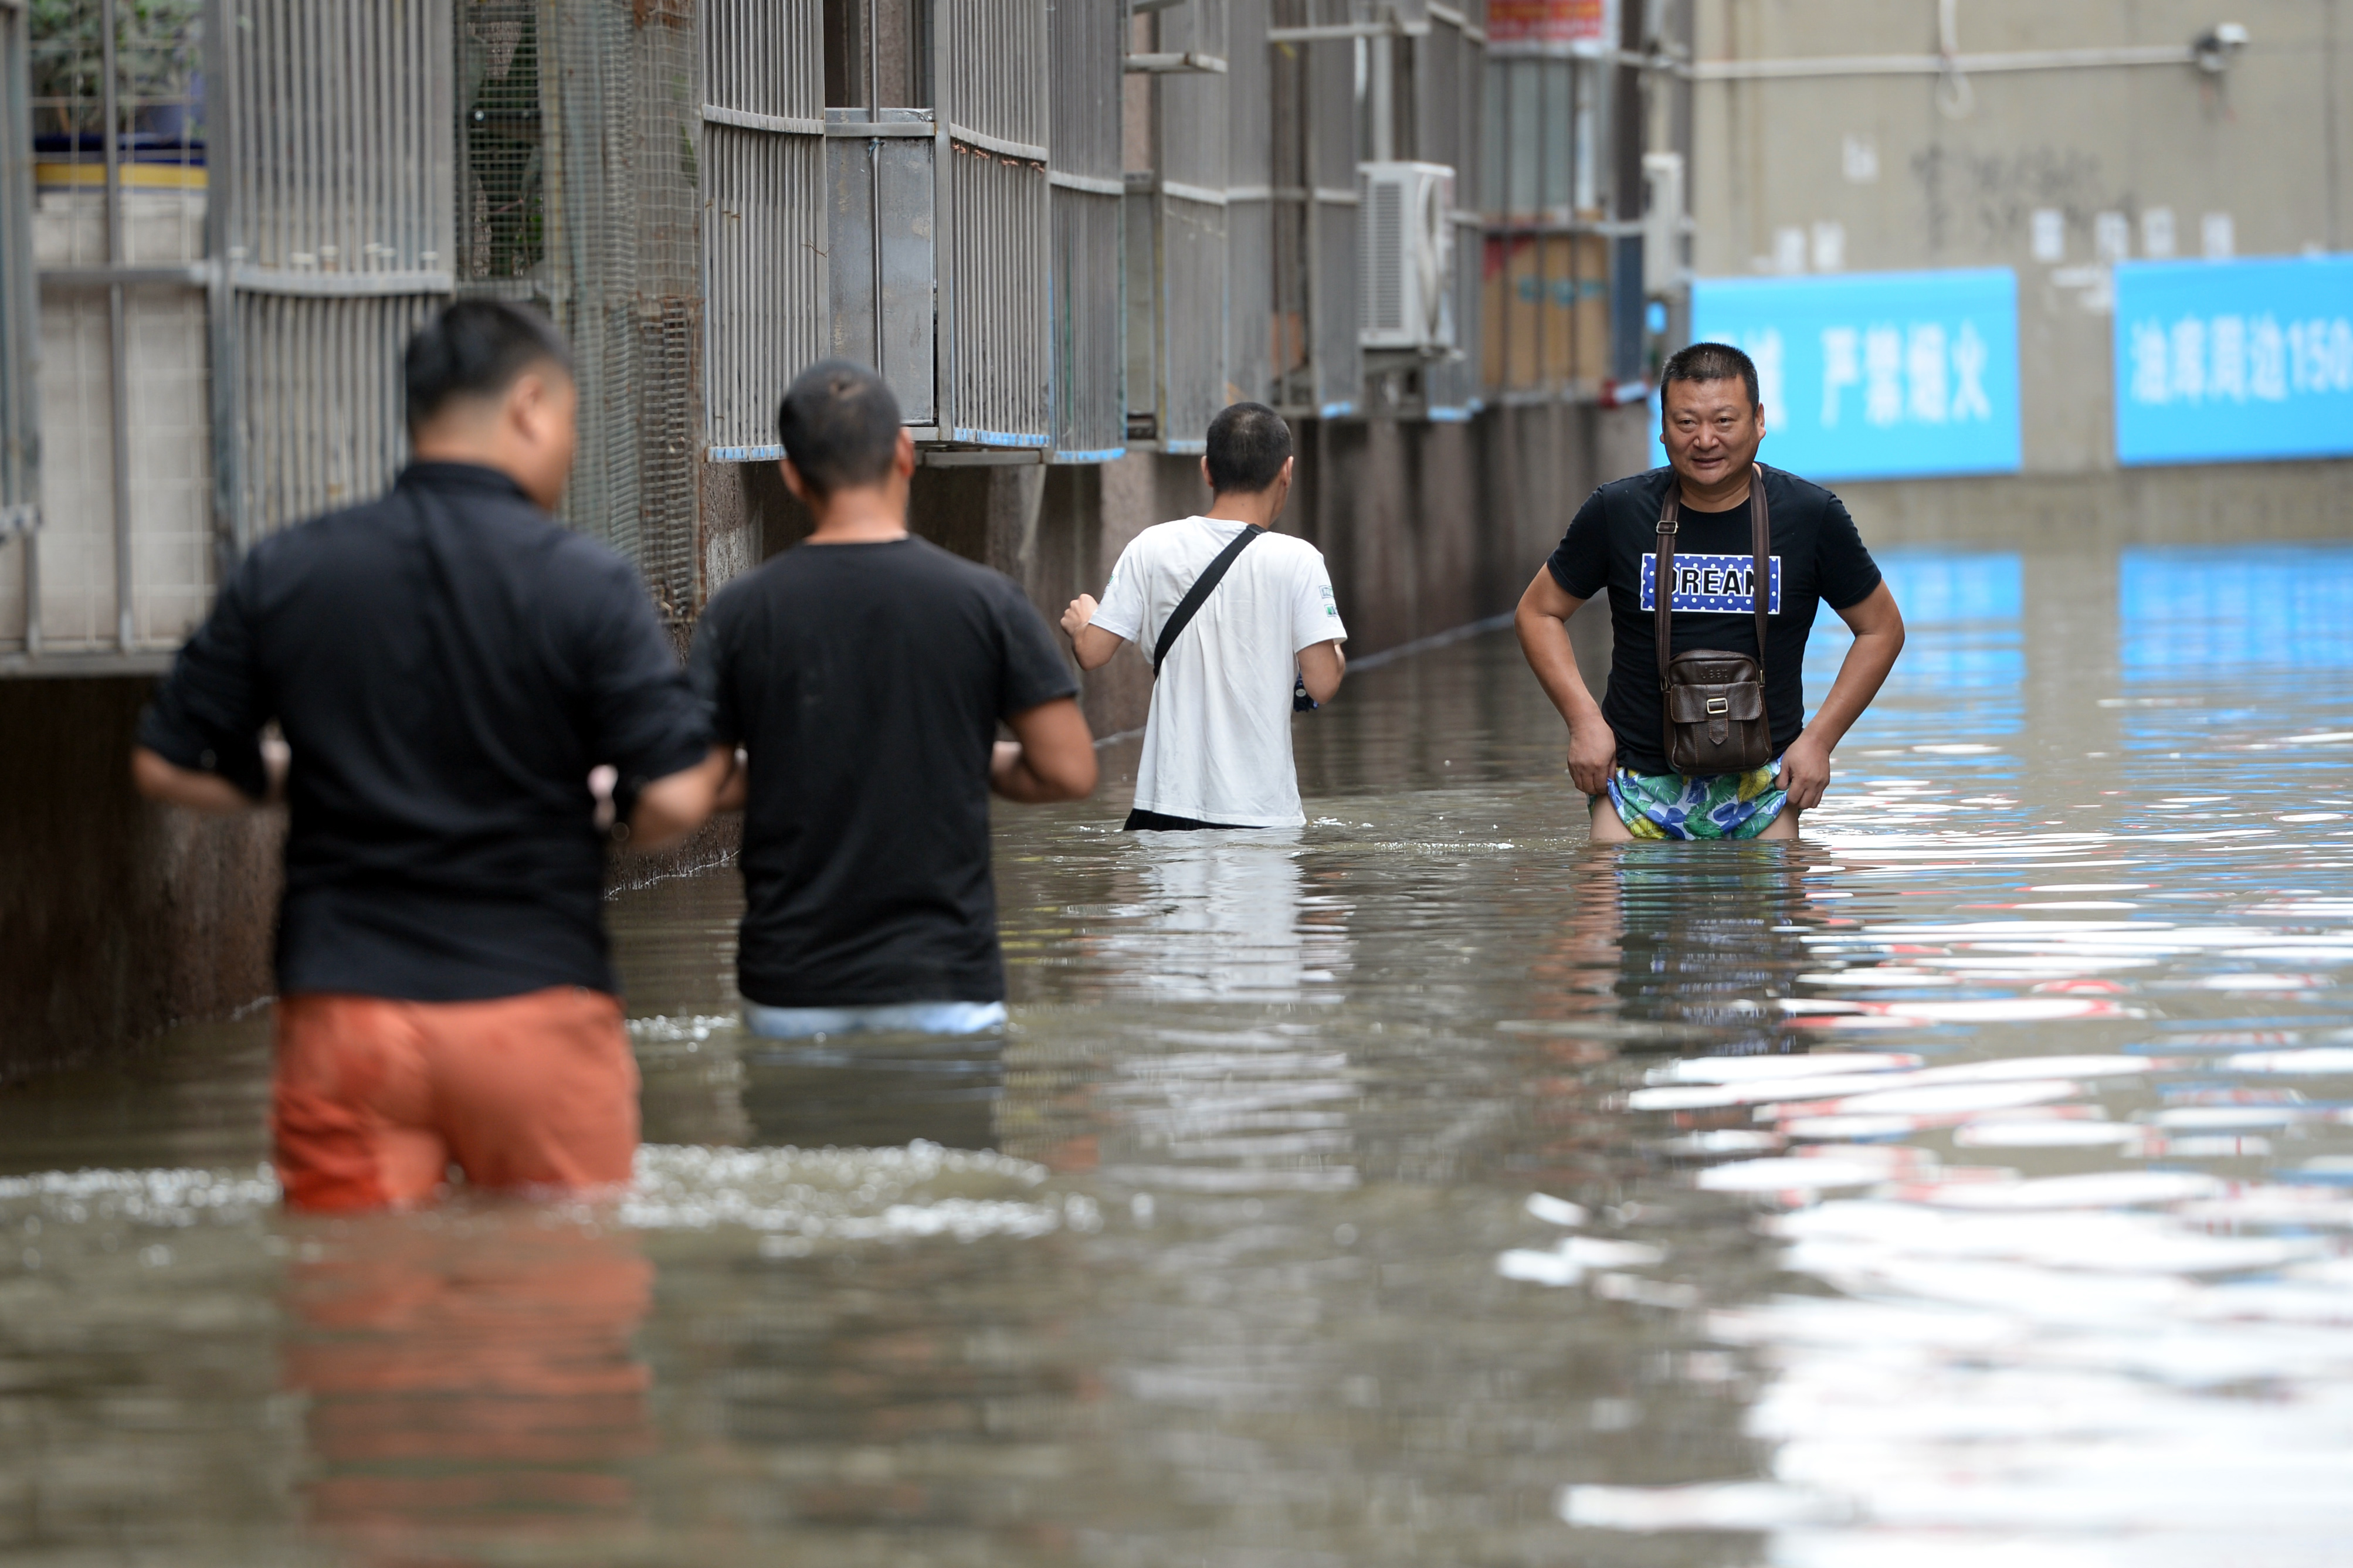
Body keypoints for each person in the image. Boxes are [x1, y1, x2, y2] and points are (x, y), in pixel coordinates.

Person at [131, 298, 730, 1211]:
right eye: (569, 422)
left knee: (363, 1321)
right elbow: (683, 795)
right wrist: (605, 806)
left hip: (347, 1012)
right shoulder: (587, 584)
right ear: (529, 404)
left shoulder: (292, 568)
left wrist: (307, 772)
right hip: (533, 1005)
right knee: (554, 1327)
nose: (569, 452)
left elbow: (166, 762)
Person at [689, 361, 1097, 1040]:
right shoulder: (986, 602)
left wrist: (804, 762)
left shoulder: (739, 612)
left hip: (792, 988)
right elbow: (1069, 769)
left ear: (791, 474)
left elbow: (696, 784)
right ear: (904, 453)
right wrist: (956, 756)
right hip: (945, 984)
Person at [1515, 341, 1905, 841]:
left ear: (1759, 421)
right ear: (1662, 427)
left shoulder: (1811, 516)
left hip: (1765, 784)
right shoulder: (1618, 510)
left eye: (1724, 421)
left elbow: (1881, 629)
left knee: (1782, 908)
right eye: (1686, 423)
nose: (1705, 440)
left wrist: (1820, 742)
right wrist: (1584, 722)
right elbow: (1538, 612)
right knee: (1602, 908)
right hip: (1636, 779)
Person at [1060, 402, 1347, 831]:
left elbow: (1091, 652)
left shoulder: (1151, 546)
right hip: (1261, 814)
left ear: (1207, 470)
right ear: (1287, 470)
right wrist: (1329, 646)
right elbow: (1323, 682)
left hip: (1166, 806)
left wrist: (1085, 620)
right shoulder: (1299, 560)